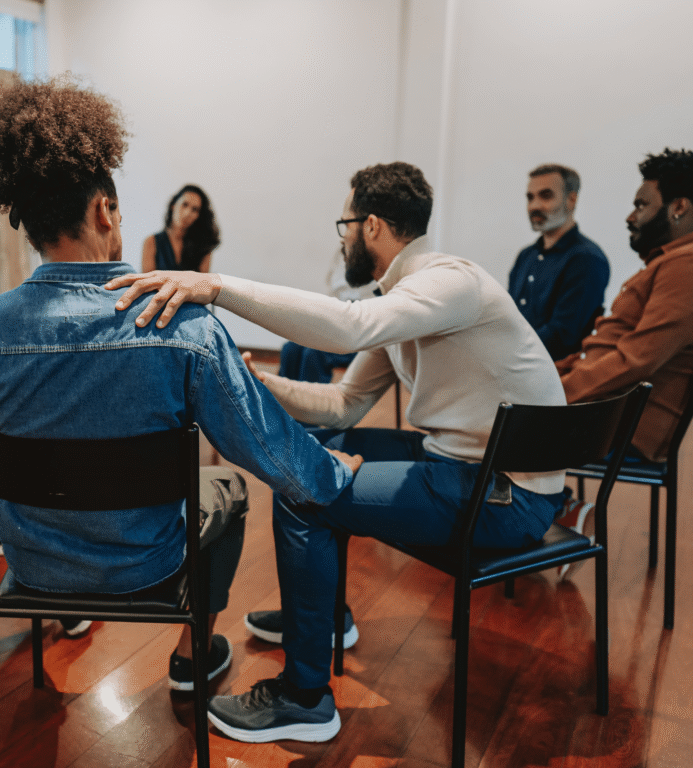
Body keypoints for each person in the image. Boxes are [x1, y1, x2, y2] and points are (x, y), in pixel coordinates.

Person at [107, 161, 567, 743]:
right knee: (314, 454)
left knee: (306, 489)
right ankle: (322, 620)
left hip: (507, 496)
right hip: (466, 468)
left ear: (371, 225)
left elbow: (348, 327)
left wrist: (217, 287)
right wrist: (265, 384)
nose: (343, 237)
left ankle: (305, 699)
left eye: (344, 224)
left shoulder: (450, 281)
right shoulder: (408, 295)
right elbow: (345, 403)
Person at [0, 77, 353, 691]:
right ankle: (193, 651)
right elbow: (262, 446)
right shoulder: (180, 323)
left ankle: (73, 609)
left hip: (32, 567)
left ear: (26, 224)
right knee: (229, 487)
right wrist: (331, 469)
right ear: (104, 211)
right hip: (146, 566)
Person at [555, 148, 693, 538]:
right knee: (490, 413)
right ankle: (555, 511)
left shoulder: (685, 267)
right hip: (607, 411)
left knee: (491, 427)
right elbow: (609, 348)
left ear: (679, 207)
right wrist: (548, 374)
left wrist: (552, 394)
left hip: (622, 425)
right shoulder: (667, 262)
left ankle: (545, 514)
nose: (631, 216)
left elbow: (636, 361)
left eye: (641, 205)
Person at [507, 164, 609, 361]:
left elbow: (564, 336)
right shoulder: (526, 255)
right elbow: (509, 317)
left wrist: (506, 352)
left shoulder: (586, 258)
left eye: (546, 195)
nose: (534, 205)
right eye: (530, 197)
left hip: (556, 376)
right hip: (515, 366)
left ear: (571, 200)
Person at [277, 247, 360, 385]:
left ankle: (305, 405)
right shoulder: (342, 255)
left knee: (313, 354)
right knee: (291, 349)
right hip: (339, 325)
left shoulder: (379, 256)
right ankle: (281, 404)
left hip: (361, 337)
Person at [141, 184, 220, 273]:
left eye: (194, 209)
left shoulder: (203, 246)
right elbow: (146, 283)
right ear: (173, 205)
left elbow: (203, 285)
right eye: (184, 204)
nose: (187, 213)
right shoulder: (151, 242)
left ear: (198, 216)